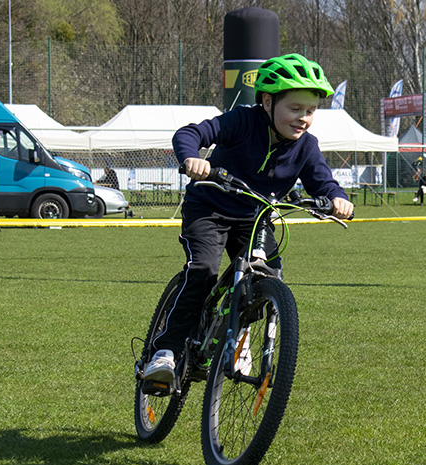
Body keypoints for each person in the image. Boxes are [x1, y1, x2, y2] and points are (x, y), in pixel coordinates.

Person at [143, 53, 354, 383]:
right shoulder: (241, 121)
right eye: (295, 109)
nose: (303, 118)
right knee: (204, 271)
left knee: (268, 275)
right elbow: (190, 134)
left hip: (255, 218)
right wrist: (191, 159)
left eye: (310, 111)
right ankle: (164, 352)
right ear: (268, 101)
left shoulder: (306, 146)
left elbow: (322, 180)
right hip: (210, 209)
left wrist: (338, 198)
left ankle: (237, 338)